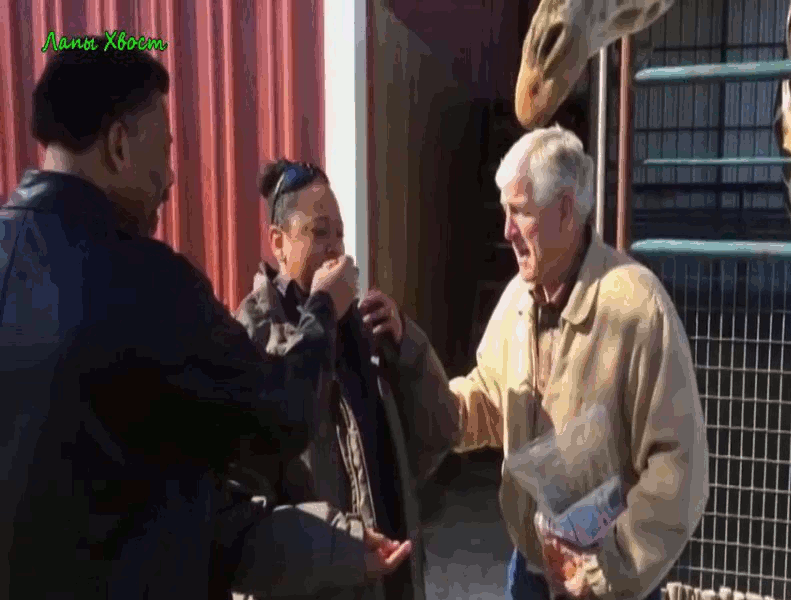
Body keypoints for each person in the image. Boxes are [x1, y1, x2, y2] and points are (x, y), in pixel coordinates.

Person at [0, 38, 409, 600]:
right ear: (119, 146)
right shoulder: (146, 285)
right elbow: (281, 417)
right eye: (164, 150)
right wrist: (323, 310)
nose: (171, 178)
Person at [445, 125, 709, 599]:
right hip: (529, 570)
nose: (506, 232)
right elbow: (489, 396)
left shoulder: (636, 306)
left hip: (607, 582)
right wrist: (427, 398)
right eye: (505, 212)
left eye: (519, 212)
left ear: (565, 210)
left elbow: (678, 467)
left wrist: (604, 571)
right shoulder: (517, 298)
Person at [232, 158, 461, 599]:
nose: (335, 250)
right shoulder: (251, 337)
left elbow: (441, 434)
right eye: (319, 233)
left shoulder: (364, 332)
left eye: (339, 234)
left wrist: (407, 346)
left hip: (389, 582)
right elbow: (243, 516)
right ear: (279, 243)